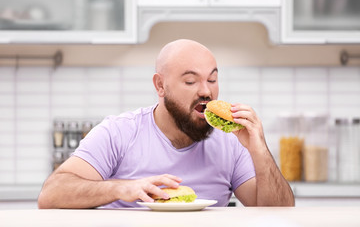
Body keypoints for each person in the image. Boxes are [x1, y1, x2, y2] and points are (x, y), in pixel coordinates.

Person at [38, 39, 294, 209]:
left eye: (212, 80)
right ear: (160, 85)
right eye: (191, 81)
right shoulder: (119, 132)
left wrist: (259, 149)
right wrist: (121, 188)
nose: (206, 91)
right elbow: (51, 195)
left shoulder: (231, 141)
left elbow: (278, 213)